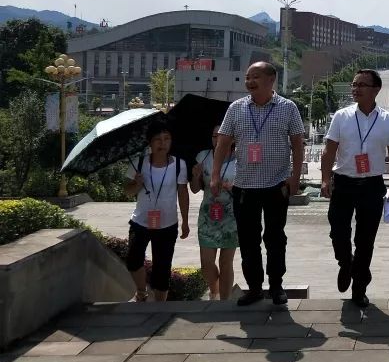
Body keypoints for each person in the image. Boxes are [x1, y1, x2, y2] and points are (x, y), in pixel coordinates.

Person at [212, 61, 305, 307]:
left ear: (270, 80)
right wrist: (215, 175)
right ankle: (254, 288)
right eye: (247, 77)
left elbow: (297, 143)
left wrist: (295, 177)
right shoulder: (236, 108)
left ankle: (276, 286)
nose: (249, 81)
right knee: (248, 239)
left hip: (276, 185)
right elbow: (223, 143)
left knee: (275, 238)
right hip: (244, 187)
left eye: (255, 77)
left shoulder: (288, 107)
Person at [320, 69, 389, 308]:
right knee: (338, 231)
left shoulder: (388, 120)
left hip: (372, 185)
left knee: (366, 240)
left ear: (376, 89)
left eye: (362, 85)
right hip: (343, 183)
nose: (355, 89)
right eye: (354, 84)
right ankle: (345, 263)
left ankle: (359, 288)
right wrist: (325, 179)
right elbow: (329, 151)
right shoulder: (341, 116)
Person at [123, 119, 189, 301]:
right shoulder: (139, 163)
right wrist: (136, 184)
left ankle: (160, 306)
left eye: (166, 139)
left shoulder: (179, 165)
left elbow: (183, 192)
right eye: (158, 139)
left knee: (162, 267)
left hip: (167, 224)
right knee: (133, 259)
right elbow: (127, 192)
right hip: (140, 221)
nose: (162, 143)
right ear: (150, 142)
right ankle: (141, 292)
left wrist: (185, 221)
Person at [190, 126, 237, 300]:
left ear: (232, 139)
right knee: (206, 264)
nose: (217, 139)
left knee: (226, 263)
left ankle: (224, 303)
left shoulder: (240, 159)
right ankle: (215, 290)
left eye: (221, 136)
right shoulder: (203, 157)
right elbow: (195, 189)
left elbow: (246, 189)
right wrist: (195, 176)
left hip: (231, 216)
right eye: (214, 135)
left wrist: (231, 187)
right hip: (208, 214)